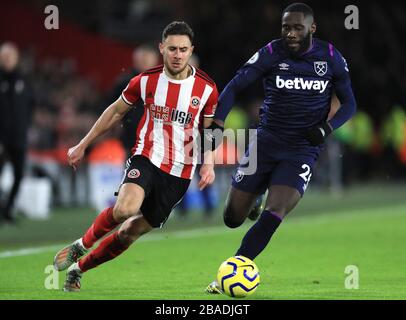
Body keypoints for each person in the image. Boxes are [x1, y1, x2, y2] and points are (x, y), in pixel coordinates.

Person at [53, 21, 219, 292]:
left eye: (183, 50)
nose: (177, 55)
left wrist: (209, 162)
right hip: (147, 156)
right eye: (172, 49)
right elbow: (116, 111)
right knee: (126, 209)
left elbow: (211, 129)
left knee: (130, 233)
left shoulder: (207, 89)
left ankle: (78, 269)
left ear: (192, 51)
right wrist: (83, 144)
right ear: (161, 48)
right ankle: (80, 245)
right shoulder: (145, 80)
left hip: (180, 173)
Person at [206, 3, 356, 293]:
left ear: (312, 28)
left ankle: (236, 266)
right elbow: (235, 86)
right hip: (265, 142)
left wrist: (327, 128)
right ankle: (257, 194)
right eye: (286, 27)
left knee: (275, 211)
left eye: (297, 27)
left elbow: (350, 103)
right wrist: (219, 122)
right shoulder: (271, 53)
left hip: (302, 148)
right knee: (232, 218)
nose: (290, 33)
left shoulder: (330, 57)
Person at [0, 42, 35, 223]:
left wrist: (27, 126)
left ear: (16, 58)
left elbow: (31, 106)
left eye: (10, 56)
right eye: (4, 57)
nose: (7, 60)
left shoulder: (24, 80)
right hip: (1, 138)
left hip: (19, 137)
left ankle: (7, 209)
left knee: (19, 174)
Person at [107, 44, 160, 157]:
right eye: (142, 59)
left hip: (156, 140)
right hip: (128, 138)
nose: (144, 62)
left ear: (155, 60)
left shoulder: (162, 83)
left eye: (147, 59)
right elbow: (110, 107)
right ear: (135, 60)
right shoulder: (124, 82)